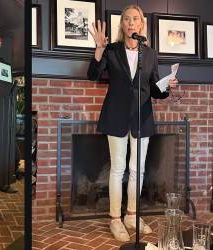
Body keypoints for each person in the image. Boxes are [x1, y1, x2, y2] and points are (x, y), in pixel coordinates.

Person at [87, 5, 178, 242]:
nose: (130, 23)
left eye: (135, 19)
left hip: (142, 117)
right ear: (122, 25)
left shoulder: (150, 54)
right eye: (126, 19)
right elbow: (93, 75)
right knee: (118, 169)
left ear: (141, 24)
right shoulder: (112, 50)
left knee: (138, 169)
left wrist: (168, 86)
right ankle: (115, 219)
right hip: (116, 115)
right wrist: (99, 48)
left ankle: (131, 215)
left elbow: (156, 90)